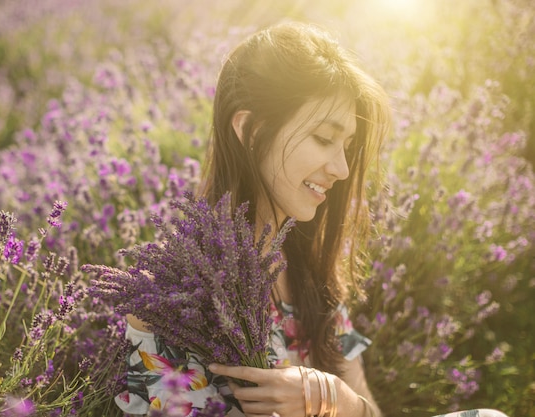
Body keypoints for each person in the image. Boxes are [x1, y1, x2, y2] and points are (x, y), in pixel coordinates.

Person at [117, 21, 508, 417]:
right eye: (324, 138)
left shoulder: (310, 270)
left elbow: (370, 410)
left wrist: (338, 401)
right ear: (251, 130)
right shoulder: (165, 298)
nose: (340, 168)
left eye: (347, 146)